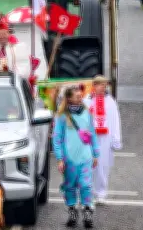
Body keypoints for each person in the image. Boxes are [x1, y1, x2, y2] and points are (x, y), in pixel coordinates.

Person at [53, 83, 98, 228]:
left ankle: (87, 211)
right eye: (77, 96)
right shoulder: (61, 117)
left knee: (86, 185)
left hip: (85, 157)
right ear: (69, 99)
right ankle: (72, 211)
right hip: (69, 160)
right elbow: (57, 139)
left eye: (81, 96)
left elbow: (93, 134)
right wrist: (60, 158)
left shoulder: (87, 113)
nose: (81, 98)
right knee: (70, 186)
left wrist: (95, 153)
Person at [83, 76, 121, 203]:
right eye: (101, 85)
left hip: (105, 138)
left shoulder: (110, 102)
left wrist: (116, 138)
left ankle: (101, 192)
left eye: (105, 85)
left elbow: (115, 120)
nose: (103, 87)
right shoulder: (87, 100)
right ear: (94, 85)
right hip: (90, 137)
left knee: (102, 165)